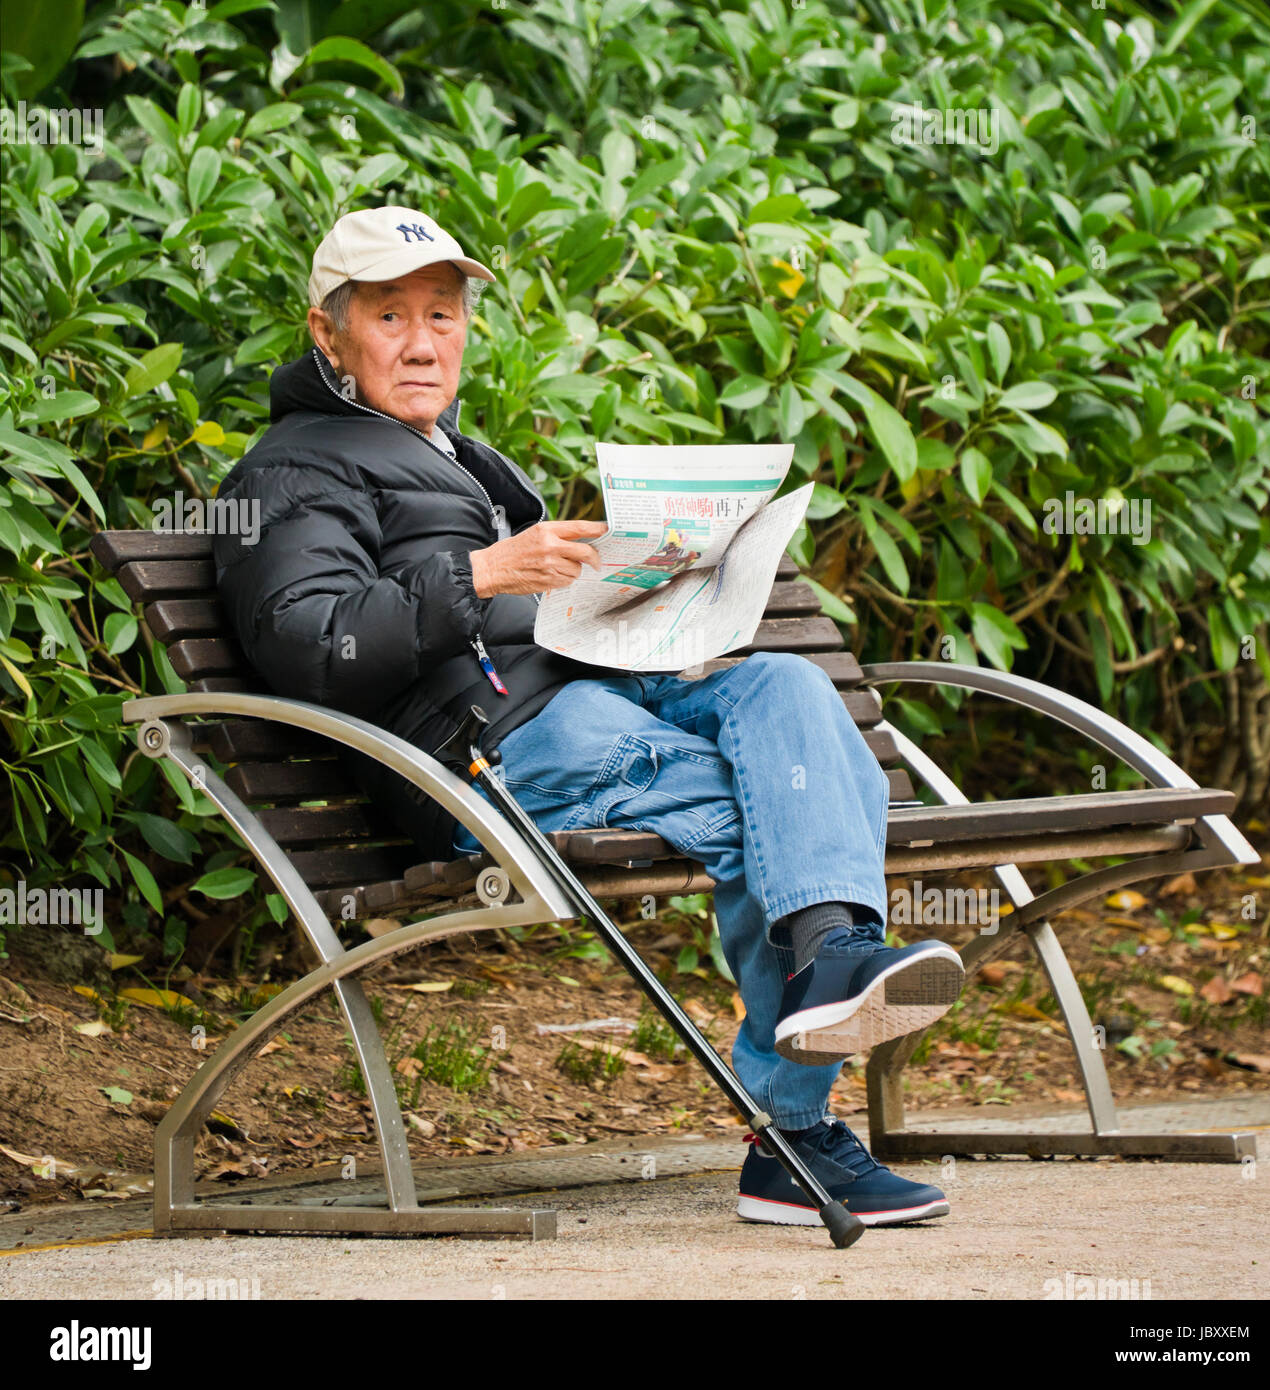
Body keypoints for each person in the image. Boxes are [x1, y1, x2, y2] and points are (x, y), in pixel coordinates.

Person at [214, 206, 965, 1228]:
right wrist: (476, 573)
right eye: (391, 316)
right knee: (774, 811)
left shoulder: (460, 458)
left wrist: (659, 608)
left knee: (784, 689)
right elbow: (308, 644)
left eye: (443, 313)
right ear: (327, 332)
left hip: (589, 695)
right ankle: (793, 1126)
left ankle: (829, 960)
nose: (425, 340)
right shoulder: (293, 468)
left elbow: (528, 619)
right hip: (484, 755)